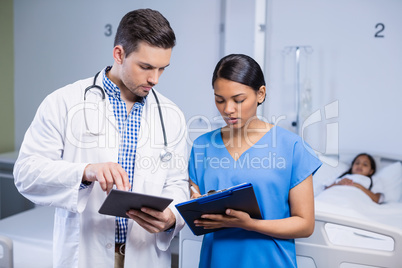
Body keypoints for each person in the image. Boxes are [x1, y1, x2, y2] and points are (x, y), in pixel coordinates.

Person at [13, 9, 189, 268]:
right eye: (146, 67)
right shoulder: (64, 102)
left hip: (145, 254)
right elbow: (26, 174)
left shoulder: (171, 115)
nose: (155, 79)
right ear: (119, 54)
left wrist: (172, 215)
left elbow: (177, 183)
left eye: (163, 68)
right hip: (85, 254)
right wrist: (85, 172)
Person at [188, 54, 322, 268]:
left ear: (260, 94)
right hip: (216, 261)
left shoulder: (291, 146)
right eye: (219, 99)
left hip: (270, 261)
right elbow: (195, 201)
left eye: (238, 100)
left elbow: (305, 224)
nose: (227, 109)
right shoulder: (202, 146)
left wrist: (251, 224)